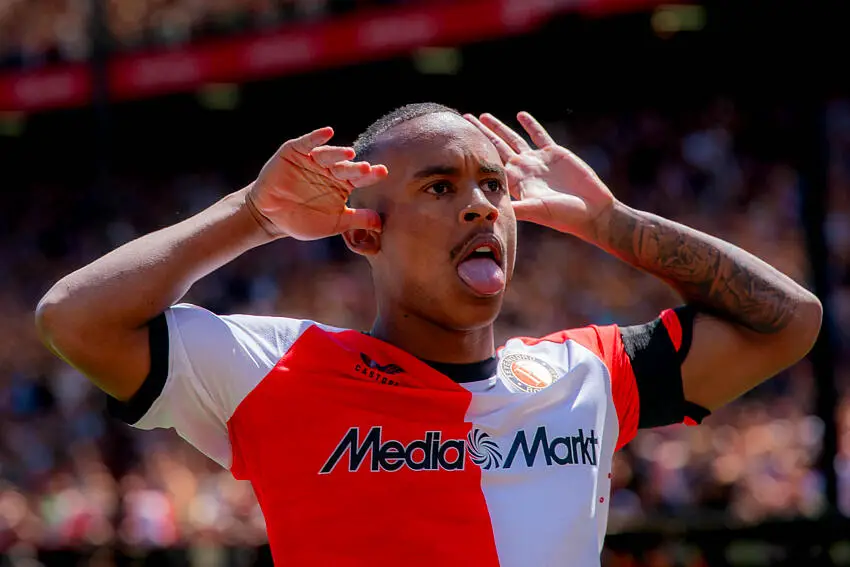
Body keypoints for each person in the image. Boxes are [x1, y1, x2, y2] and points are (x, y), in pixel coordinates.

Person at [35, 102, 822, 566]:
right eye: (440, 187)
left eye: (492, 186)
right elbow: (73, 318)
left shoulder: (587, 371)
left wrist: (612, 223)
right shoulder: (278, 370)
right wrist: (252, 215)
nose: (480, 206)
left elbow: (788, 321)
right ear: (364, 232)